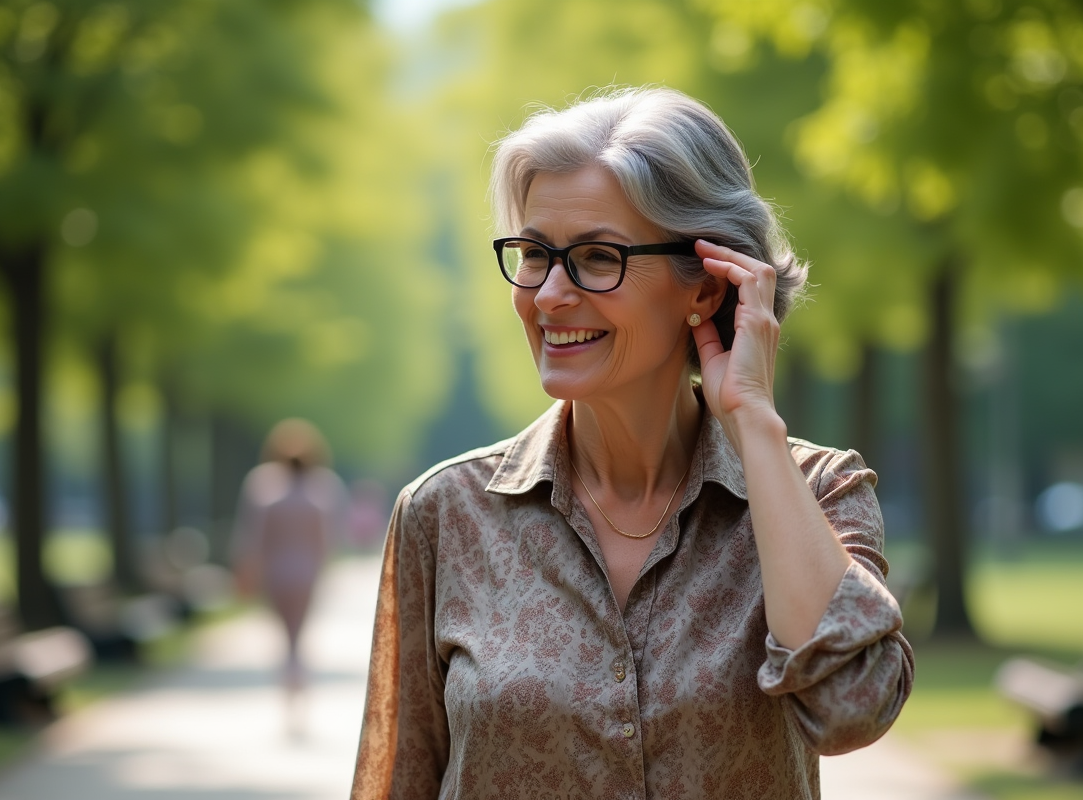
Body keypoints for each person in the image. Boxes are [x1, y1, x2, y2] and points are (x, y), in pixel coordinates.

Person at [350, 87, 913, 799]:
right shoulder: (445, 514)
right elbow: (398, 781)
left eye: (595, 257)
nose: (548, 294)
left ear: (706, 289)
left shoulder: (819, 491)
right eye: (534, 254)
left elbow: (852, 709)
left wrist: (754, 424)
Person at [233, 419, 347, 718]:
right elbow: (329, 539)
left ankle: (290, 682)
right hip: (306, 572)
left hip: (275, 572)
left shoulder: (263, 485)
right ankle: (297, 681)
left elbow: (252, 537)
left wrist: (246, 572)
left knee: (286, 634)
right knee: (297, 633)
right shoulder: (322, 488)